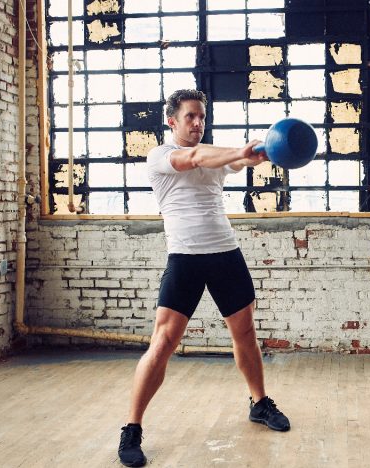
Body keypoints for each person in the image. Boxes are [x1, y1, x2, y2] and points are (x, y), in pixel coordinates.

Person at [117, 89, 290, 467]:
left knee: (245, 334)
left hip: (226, 254)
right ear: (172, 121)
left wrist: (265, 150)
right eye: (191, 116)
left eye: (202, 116)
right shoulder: (161, 156)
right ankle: (132, 427)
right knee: (163, 343)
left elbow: (232, 161)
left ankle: (259, 402)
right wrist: (241, 152)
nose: (198, 123)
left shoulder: (214, 155)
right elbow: (195, 158)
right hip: (186, 259)